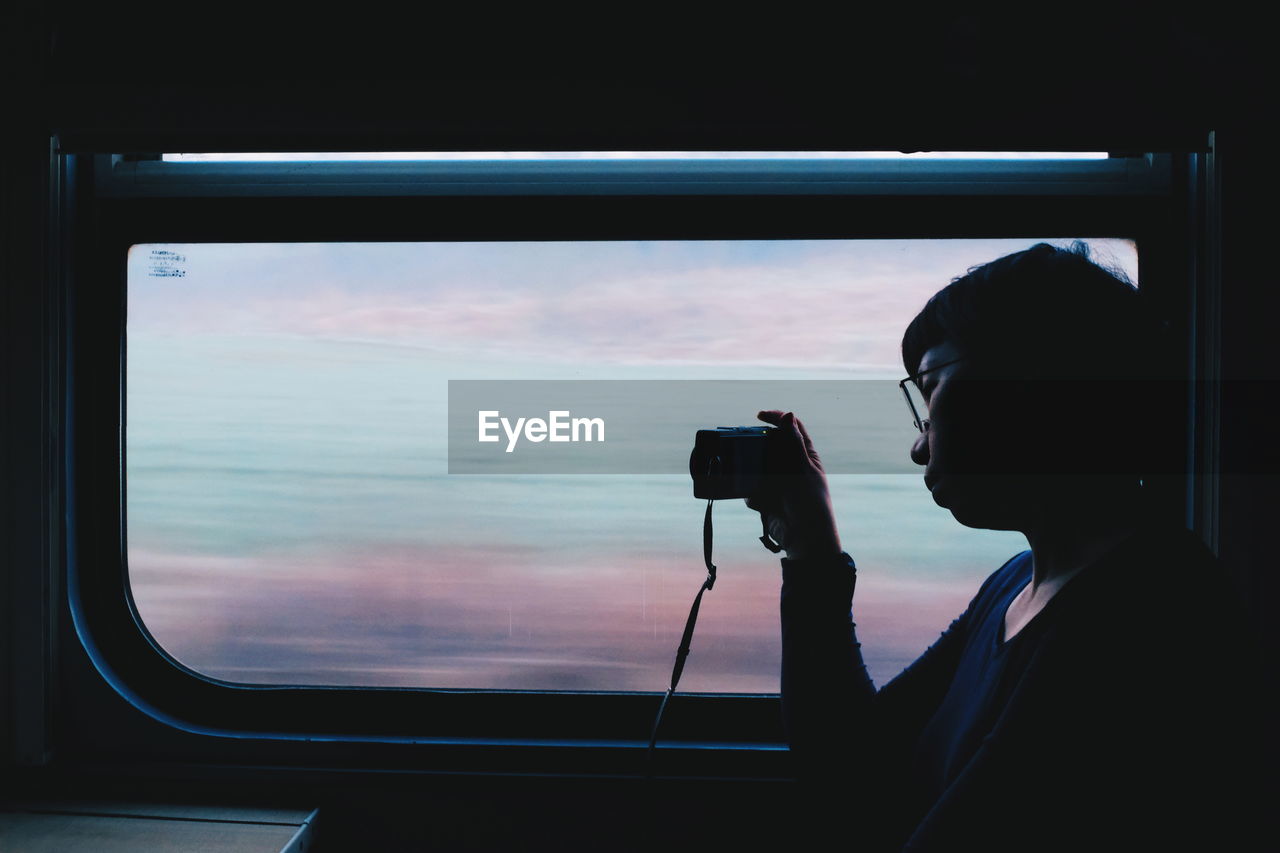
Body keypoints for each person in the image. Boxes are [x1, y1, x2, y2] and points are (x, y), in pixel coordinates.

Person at [748, 243, 1265, 852]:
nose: (920, 447)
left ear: (1031, 383)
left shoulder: (1148, 614)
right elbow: (850, 759)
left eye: (932, 390)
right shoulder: (1017, 584)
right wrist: (811, 545)